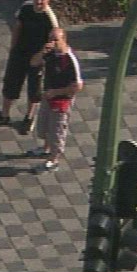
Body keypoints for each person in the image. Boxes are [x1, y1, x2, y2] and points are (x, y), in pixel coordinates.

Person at [0, 0, 60, 133]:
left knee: (33, 88)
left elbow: (53, 43)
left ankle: (29, 118)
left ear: (48, 0)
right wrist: (13, 49)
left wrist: (40, 57)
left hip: (37, 58)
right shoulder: (26, 7)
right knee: (11, 82)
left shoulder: (50, 19)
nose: (39, 2)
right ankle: (4, 115)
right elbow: (18, 26)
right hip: (20, 52)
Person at [28, 27, 83, 172]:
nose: (52, 42)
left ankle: (54, 159)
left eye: (56, 40)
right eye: (50, 39)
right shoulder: (50, 53)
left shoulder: (70, 59)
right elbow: (33, 63)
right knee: (44, 125)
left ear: (63, 40)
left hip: (61, 101)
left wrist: (57, 92)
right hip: (48, 96)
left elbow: (77, 86)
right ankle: (45, 148)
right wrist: (42, 52)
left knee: (57, 131)